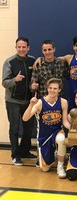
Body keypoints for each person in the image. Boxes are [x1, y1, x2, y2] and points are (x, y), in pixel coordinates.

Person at [22, 78, 70, 178]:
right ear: (47, 88)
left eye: (55, 88)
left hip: (57, 131)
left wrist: (74, 129)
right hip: (44, 136)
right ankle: (58, 154)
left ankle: (60, 166)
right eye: (50, 88)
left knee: (61, 139)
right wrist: (31, 105)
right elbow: (25, 118)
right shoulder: (40, 103)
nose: (52, 90)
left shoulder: (63, 102)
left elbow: (65, 122)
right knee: (45, 169)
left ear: (59, 90)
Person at [2, 37, 37, 165]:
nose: (21, 49)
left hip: (28, 101)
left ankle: (24, 151)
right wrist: (15, 80)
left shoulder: (33, 60)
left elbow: (34, 79)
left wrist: (33, 86)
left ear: (28, 48)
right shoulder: (9, 62)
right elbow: (4, 83)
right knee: (14, 129)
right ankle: (15, 155)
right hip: (13, 102)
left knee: (29, 129)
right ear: (16, 47)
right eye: (19, 47)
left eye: (24, 47)